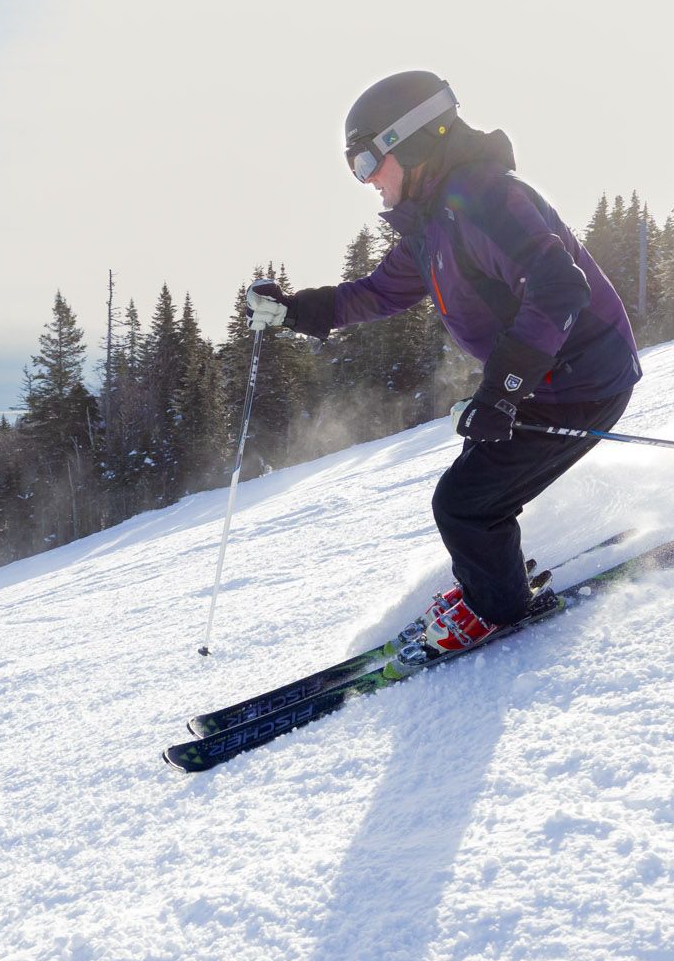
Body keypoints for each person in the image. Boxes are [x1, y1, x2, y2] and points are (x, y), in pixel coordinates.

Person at [246, 70, 641, 657]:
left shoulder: (487, 201)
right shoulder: (436, 224)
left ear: (411, 141)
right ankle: (494, 581)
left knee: (464, 503)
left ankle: (498, 606)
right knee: (474, 492)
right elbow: (377, 293)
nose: (367, 182)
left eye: (366, 163)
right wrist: (294, 312)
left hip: (582, 379)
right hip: (545, 380)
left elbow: (559, 288)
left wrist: (503, 390)